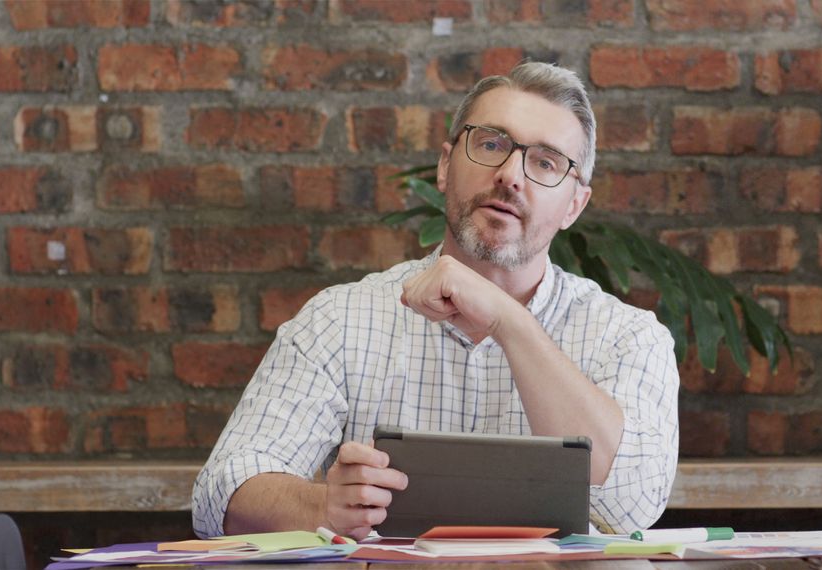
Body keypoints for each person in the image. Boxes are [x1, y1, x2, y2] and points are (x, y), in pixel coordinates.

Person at [192, 61, 680, 539]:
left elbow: (630, 506)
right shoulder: (339, 320)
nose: (512, 175)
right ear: (446, 166)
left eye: (545, 162)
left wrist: (509, 321)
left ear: (575, 204)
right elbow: (221, 495)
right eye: (491, 144)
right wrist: (323, 504)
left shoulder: (628, 338)